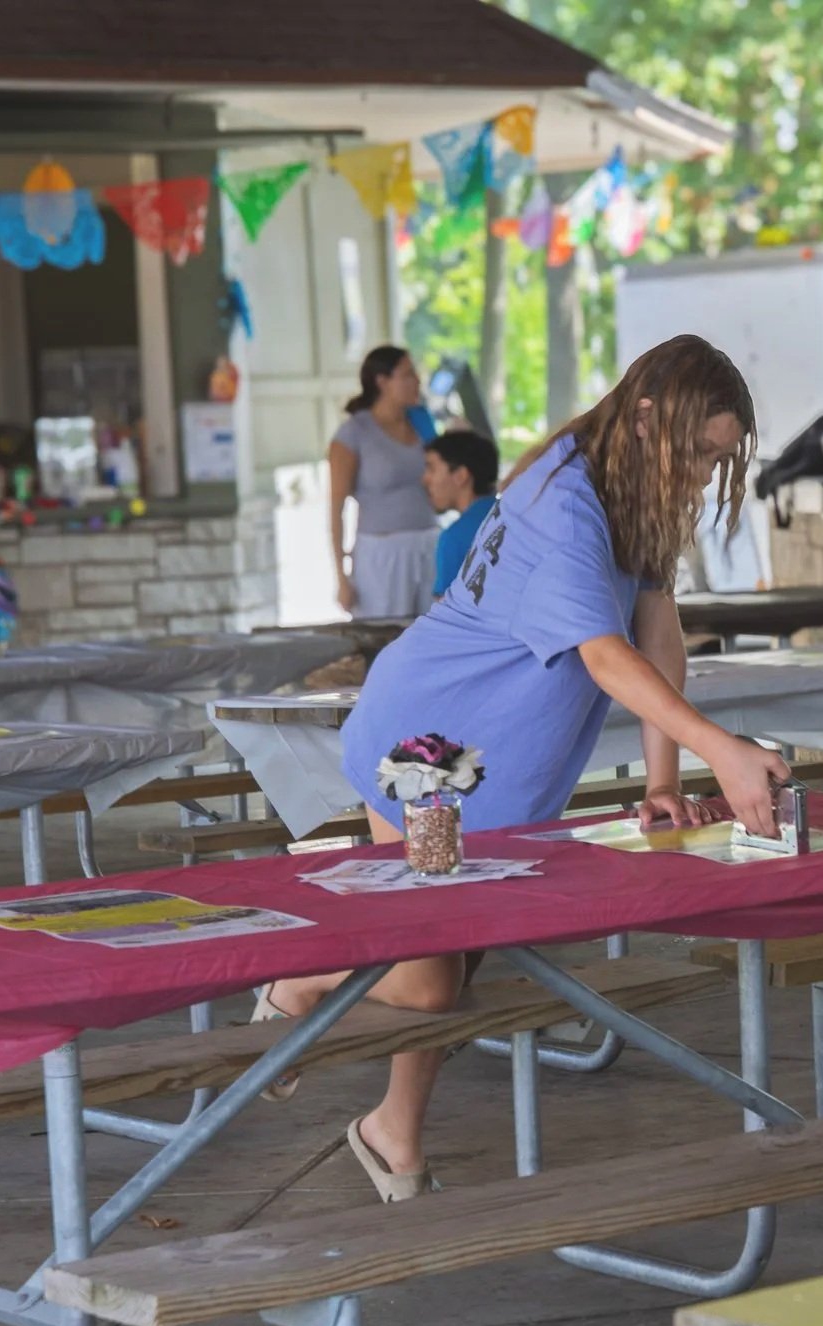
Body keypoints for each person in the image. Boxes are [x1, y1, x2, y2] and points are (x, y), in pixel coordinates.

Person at [262, 335, 792, 1201]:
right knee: (430, 975)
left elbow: (657, 629)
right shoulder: (564, 497)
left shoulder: (636, 488)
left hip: (498, 768)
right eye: (699, 454)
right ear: (652, 416)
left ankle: (392, 1129)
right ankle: (305, 976)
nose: (702, 476)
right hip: (426, 740)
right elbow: (607, 657)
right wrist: (720, 749)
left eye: (718, 460)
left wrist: (663, 781)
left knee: (454, 965)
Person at [331, 346, 442, 621]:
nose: (416, 381)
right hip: (381, 555)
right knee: (386, 637)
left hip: (429, 543)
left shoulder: (422, 422)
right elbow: (336, 510)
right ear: (382, 381)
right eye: (407, 374)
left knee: (431, 632)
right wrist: (342, 578)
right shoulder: (354, 433)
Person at [423, 429, 501, 598]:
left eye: (432, 468)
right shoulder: (514, 520)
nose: (425, 479)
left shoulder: (454, 538)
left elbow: (446, 616)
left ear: (461, 476)